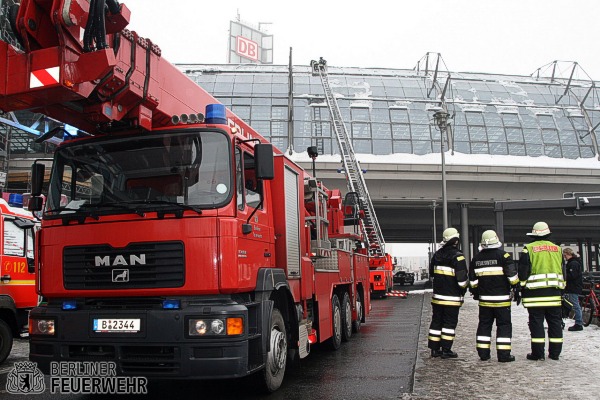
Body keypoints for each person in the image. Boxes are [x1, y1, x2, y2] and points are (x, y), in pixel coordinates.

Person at [469, 230, 519, 362]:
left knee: (484, 325)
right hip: (502, 300)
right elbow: (512, 278)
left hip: (485, 301)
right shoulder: (504, 256)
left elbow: (473, 282)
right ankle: (504, 355)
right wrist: (515, 287)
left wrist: (477, 292)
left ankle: (483, 354)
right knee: (503, 326)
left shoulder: (476, 258)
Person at [518, 221, 565, 361]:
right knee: (555, 323)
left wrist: (521, 287)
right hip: (554, 294)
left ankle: (538, 354)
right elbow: (563, 271)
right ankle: (555, 353)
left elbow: (523, 271)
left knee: (536, 323)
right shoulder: (558, 249)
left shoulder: (528, 249)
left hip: (534, 295)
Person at [428, 227, 469, 359]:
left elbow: (431, 273)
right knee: (449, 324)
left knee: (436, 322)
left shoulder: (437, 255)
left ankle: (434, 350)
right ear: (456, 241)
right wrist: (463, 290)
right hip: (452, 298)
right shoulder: (458, 257)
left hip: (437, 298)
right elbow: (462, 280)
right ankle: (446, 350)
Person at [563, 247, 584, 331]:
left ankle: (579, 323)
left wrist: (564, 276)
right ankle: (578, 323)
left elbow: (572, 276)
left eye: (565, 256)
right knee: (575, 305)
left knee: (575, 306)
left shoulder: (573, 264)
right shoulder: (574, 262)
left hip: (573, 287)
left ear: (568, 254)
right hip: (574, 286)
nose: (564, 258)